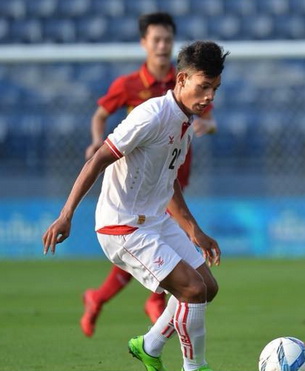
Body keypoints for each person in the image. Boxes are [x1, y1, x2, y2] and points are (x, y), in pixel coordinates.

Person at [43, 40, 229, 371]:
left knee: (208, 288)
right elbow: (99, 158)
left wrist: (194, 231)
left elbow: (168, 181)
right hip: (123, 225)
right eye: (204, 87)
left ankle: (150, 345)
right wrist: (65, 215)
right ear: (182, 79)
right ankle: (195, 367)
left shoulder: (184, 122)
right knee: (192, 288)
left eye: (214, 88)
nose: (210, 97)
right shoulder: (152, 116)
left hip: (154, 220)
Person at [80, 12, 218, 338]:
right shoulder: (132, 87)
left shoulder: (191, 83)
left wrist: (204, 125)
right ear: (144, 43)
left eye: (167, 40)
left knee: (185, 272)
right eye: (156, 40)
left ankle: (106, 300)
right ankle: (154, 312)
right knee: (179, 274)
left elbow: (210, 121)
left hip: (171, 177)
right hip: (140, 185)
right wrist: (97, 142)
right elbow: (102, 116)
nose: (162, 46)